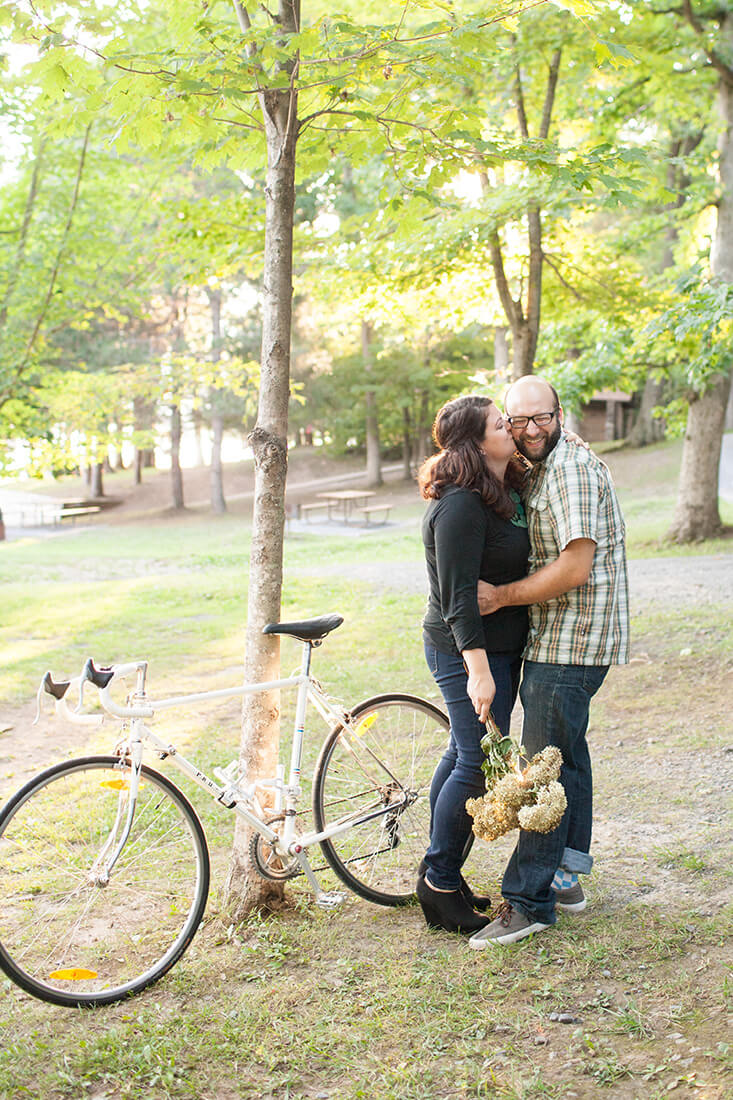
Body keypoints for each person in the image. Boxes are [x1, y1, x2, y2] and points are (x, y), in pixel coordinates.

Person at [468, 375, 629, 948]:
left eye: (542, 418)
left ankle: (528, 900)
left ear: (560, 415)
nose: (531, 430)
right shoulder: (548, 463)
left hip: (573, 640)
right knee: (567, 754)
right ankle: (568, 877)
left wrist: (501, 596)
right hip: (562, 636)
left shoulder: (572, 470)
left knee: (542, 770)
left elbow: (575, 567)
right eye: (519, 421)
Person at [417, 394, 531, 934]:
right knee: (476, 764)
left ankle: (441, 873)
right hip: (464, 648)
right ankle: (439, 882)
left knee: (463, 753)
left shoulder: (496, 488)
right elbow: (457, 597)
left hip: (494, 647)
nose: (509, 426)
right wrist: (478, 670)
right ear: (474, 441)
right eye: (498, 422)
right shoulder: (460, 504)